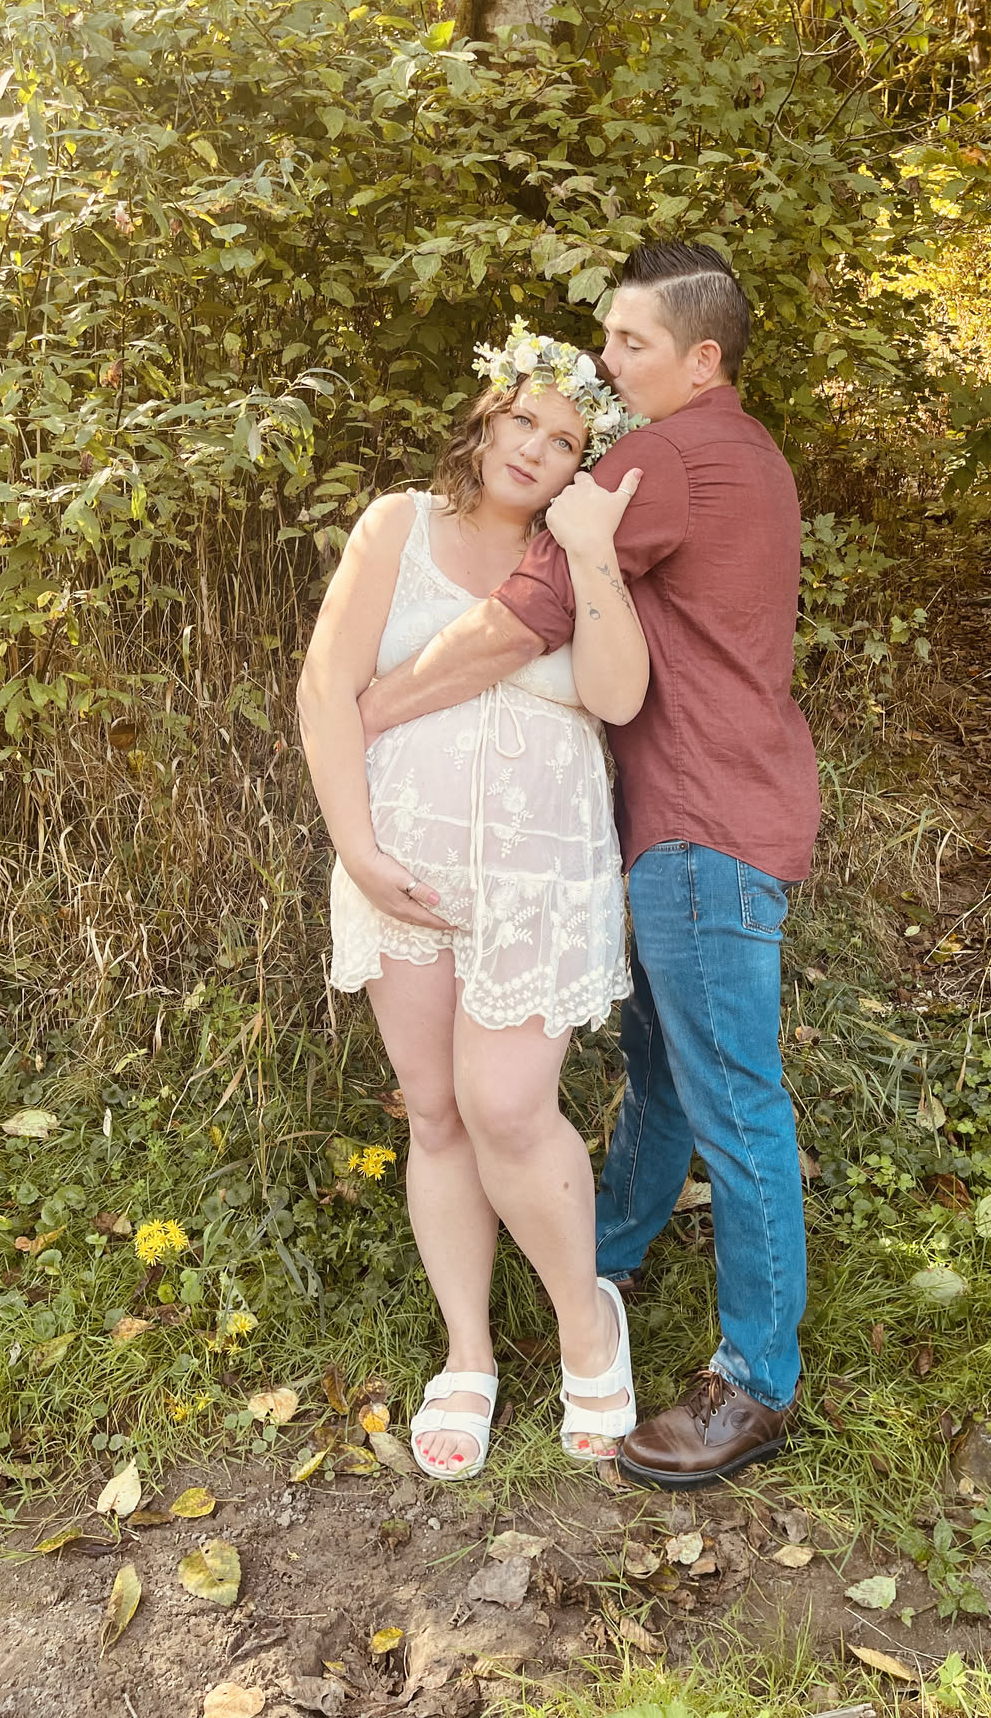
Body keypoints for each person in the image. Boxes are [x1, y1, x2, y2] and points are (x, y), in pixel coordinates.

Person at [356, 242, 820, 1489]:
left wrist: (373, 706)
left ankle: (755, 1382)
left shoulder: (662, 459)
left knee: (735, 1103)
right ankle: (601, 1258)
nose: (608, 365)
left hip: (702, 825)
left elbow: (520, 619)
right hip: (714, 817)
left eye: (631, 344)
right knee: (666, 1080)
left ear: (700, 358)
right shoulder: (751, 453)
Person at [296, 325, 651, 1480]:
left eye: (567, 441)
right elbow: (326, 689)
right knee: (436, 1110)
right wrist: (357, 849)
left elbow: (615, 695)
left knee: (507, 1104)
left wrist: (593, 553)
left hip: (538, 873)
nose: (536, 450)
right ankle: (468, 1353)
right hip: (406, 862)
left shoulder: (573, 556)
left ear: (585, 465)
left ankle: (588, 1327)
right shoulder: (395, 525)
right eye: (524, 421)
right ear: (489, 415)